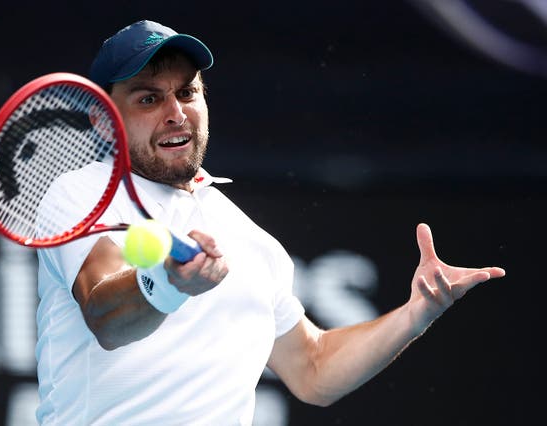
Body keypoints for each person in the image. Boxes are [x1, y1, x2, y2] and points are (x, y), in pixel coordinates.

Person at [34, 20, 506, 425]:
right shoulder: (85, 191)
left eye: (186, 92)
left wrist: (414, 315)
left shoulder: (252, 241)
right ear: (102, 119)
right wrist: (168, 284)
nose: (176, 113)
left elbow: (314, 370)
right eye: (148, 98)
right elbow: (106, 318)